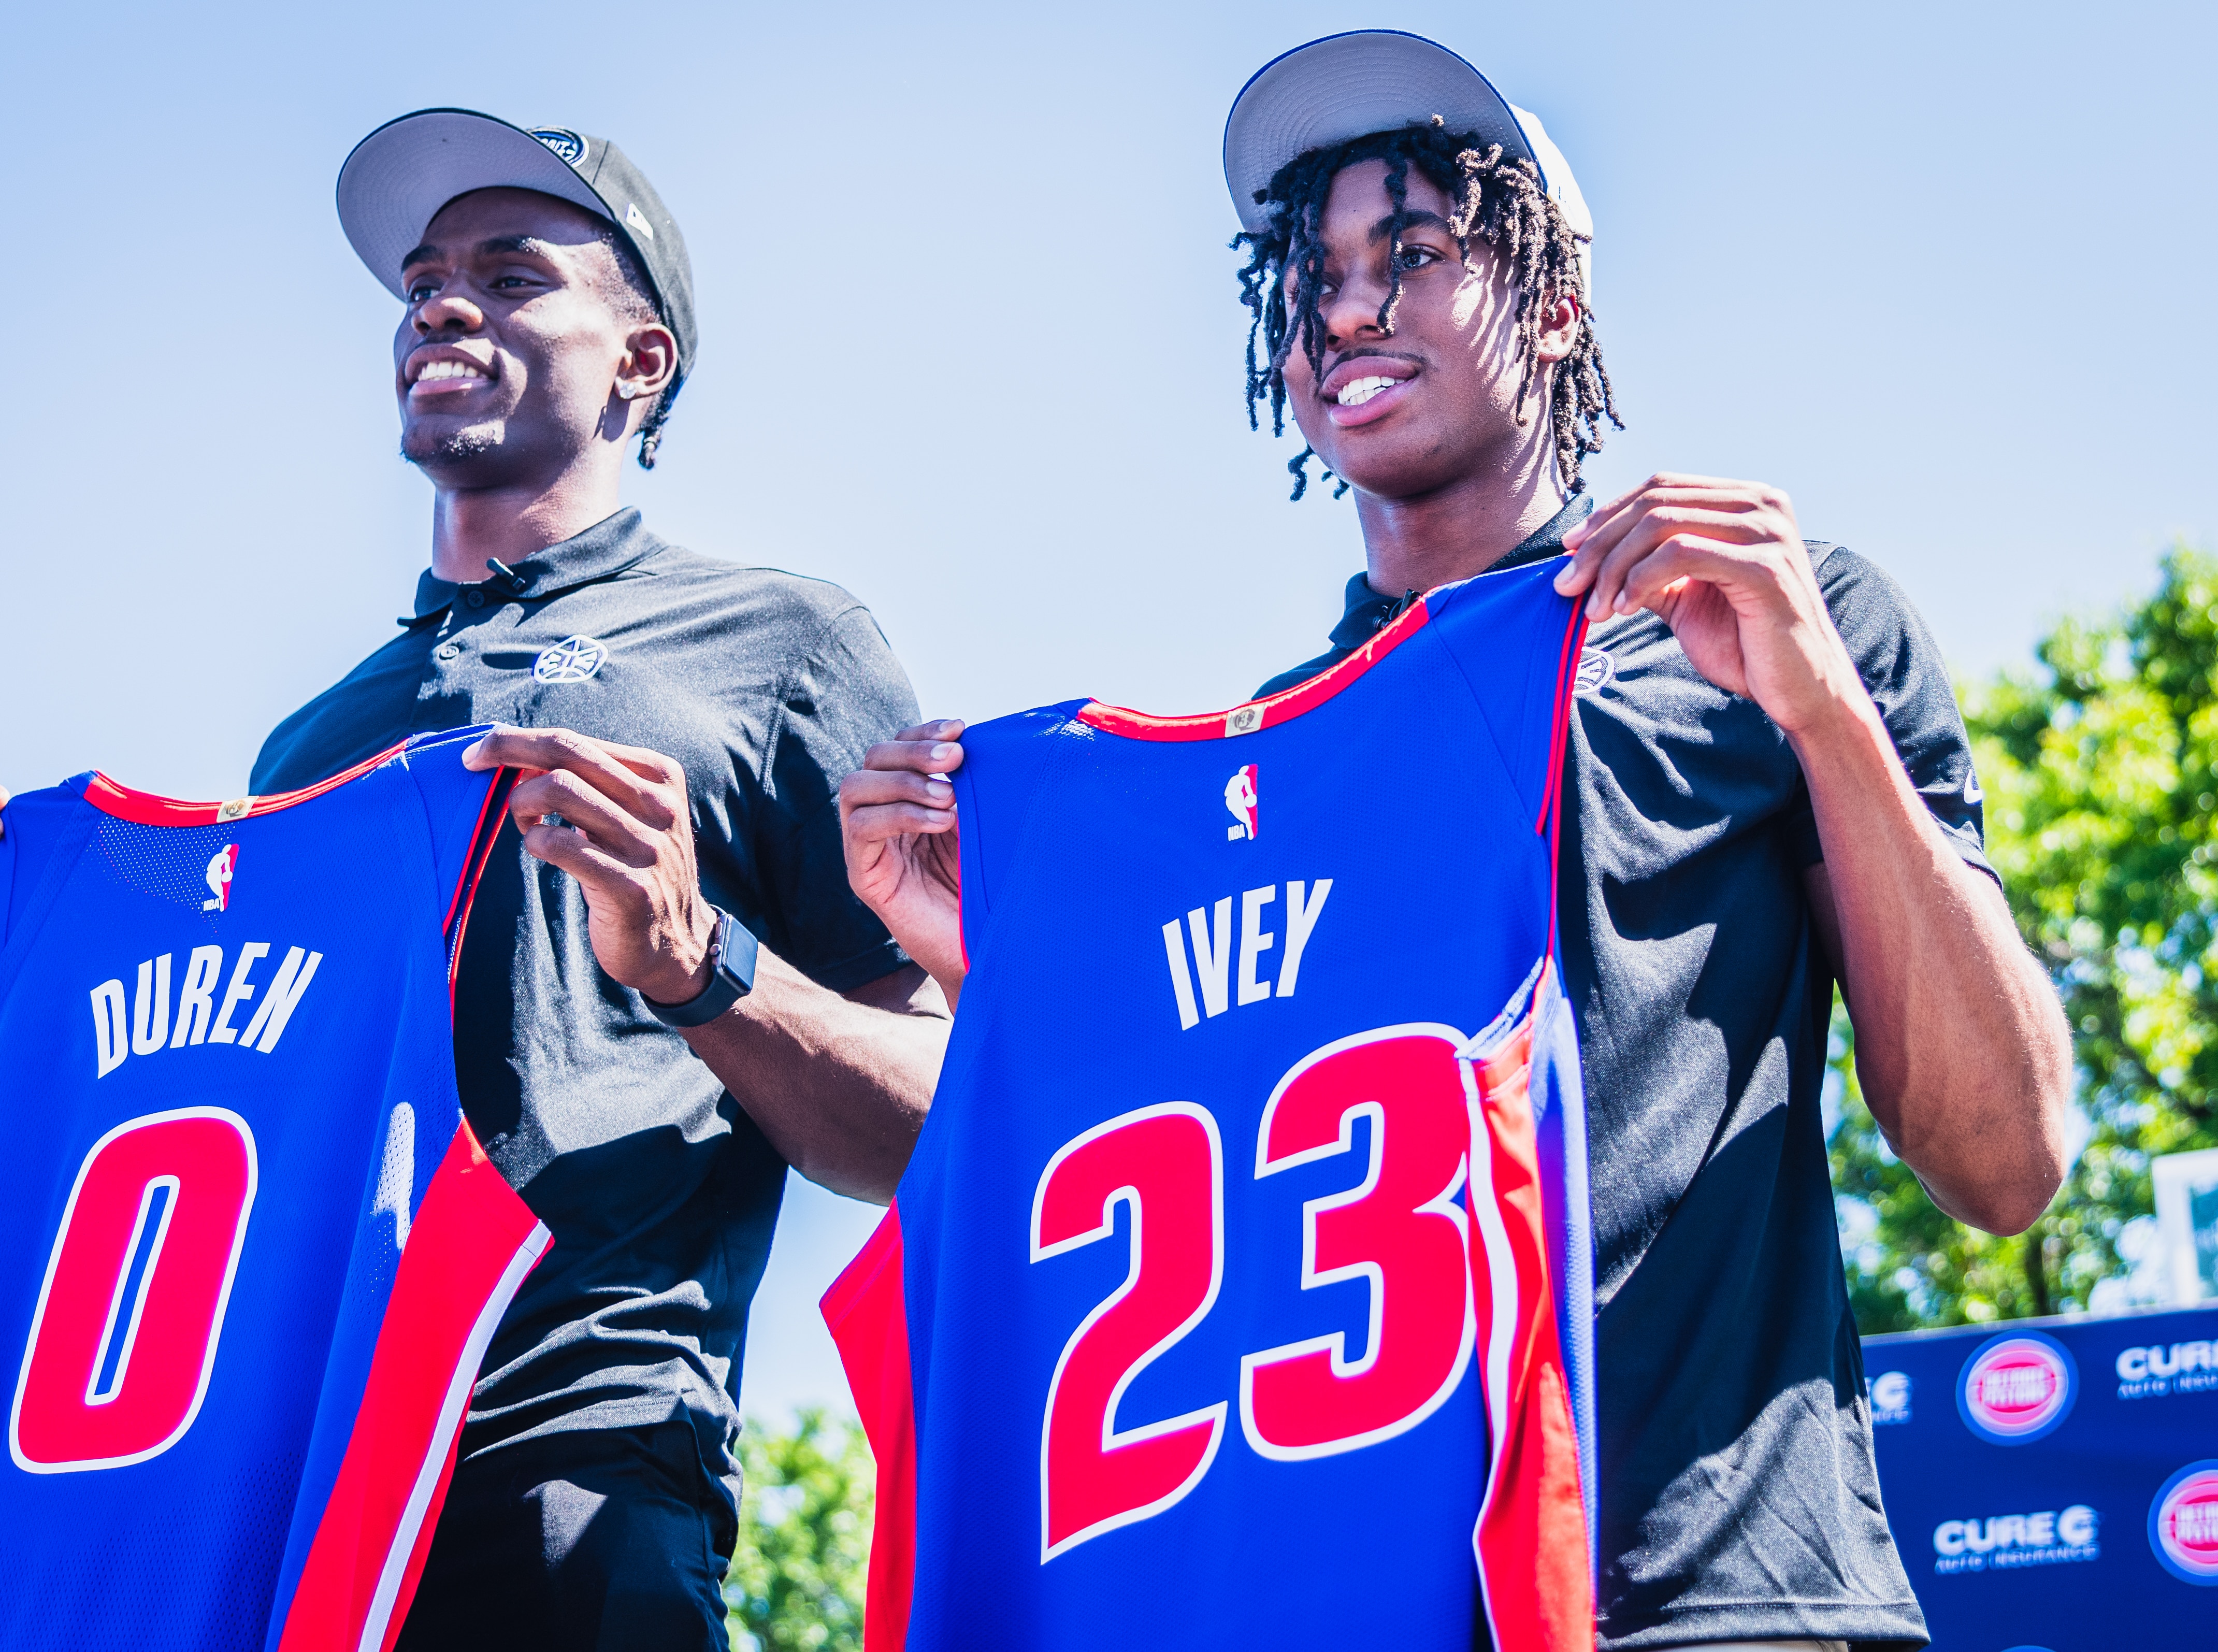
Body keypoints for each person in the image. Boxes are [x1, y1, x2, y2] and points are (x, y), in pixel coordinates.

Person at [839, 32, 2072, 1652]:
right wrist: (1004, 986)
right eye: (1312, 271)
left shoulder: (1767, 624)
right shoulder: (1272, 757)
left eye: (1413, 252)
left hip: (1717, 1593)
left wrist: (1829, 716)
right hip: (1363, 1595)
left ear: (1554, 301)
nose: (1347, 305)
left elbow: (2004, 1164)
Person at [0, 110, 950, 1650]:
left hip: (574, 1472)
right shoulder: (315, 736)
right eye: (423, 281)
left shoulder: (779, 644)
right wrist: (36, 1003)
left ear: (640, 361)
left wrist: (695, 958)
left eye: (514, 274)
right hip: (282, 1489)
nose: (443, 305)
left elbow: (932, 1116)